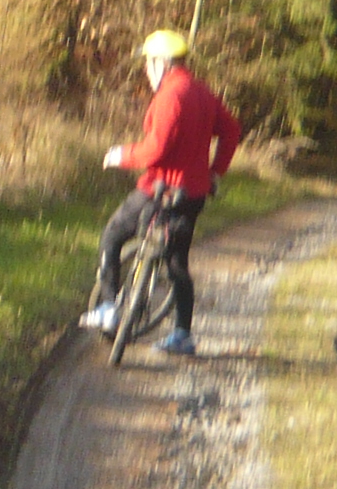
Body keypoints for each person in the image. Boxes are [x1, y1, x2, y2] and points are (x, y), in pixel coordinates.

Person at [80, 29, 245, 356]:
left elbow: (156, 149)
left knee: (112, 235)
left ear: (162, 63)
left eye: (148, 63)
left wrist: (121, 155)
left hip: (161, 189)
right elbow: (231, 131)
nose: (146, 70)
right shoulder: (202, 91)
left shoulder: (171, 96)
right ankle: (182, 335)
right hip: (194, 192)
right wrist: (215, 172)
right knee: (177, 263)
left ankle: (109, 307)